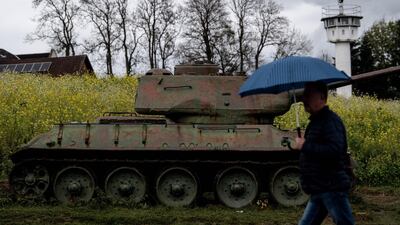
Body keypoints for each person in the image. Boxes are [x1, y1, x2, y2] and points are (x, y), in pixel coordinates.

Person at [293, 81, 355, 225]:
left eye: (308, 94)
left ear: (321, 97)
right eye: (304, 95)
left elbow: (335, 150)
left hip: (331, 187)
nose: (304, 99)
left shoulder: (330, 121)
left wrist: (306, 145)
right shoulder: (318, 121)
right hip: (320, 187)